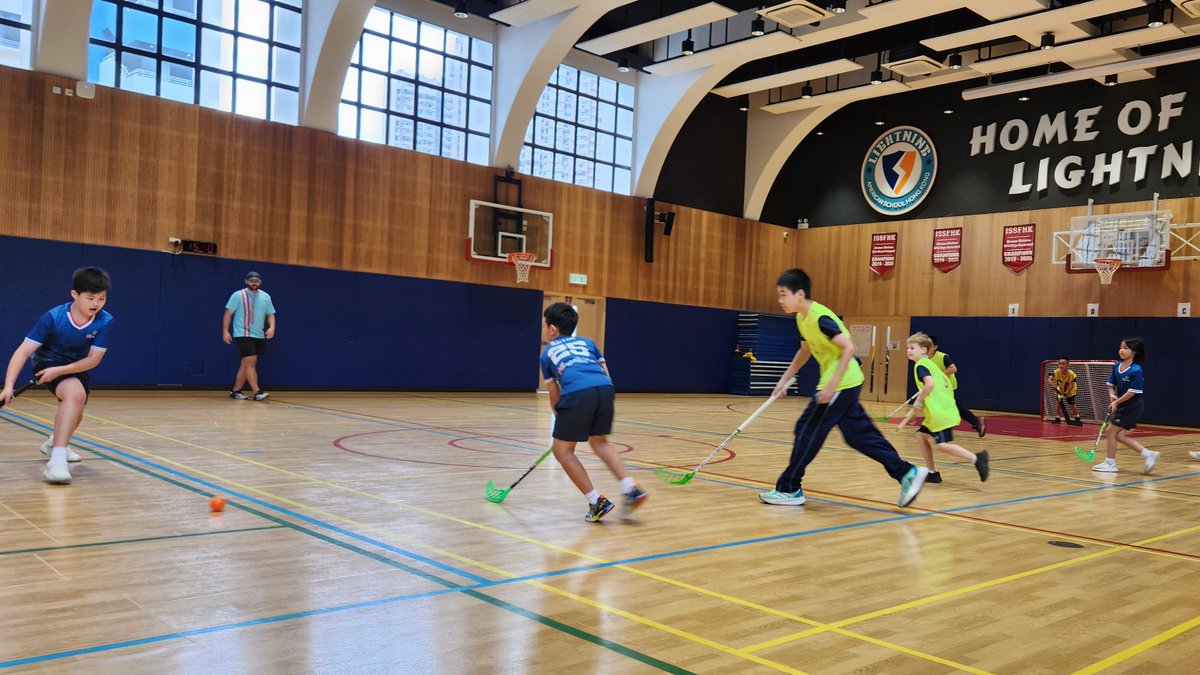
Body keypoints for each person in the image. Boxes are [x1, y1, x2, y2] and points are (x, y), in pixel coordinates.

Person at [759, 268, 928, 508]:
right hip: (846, 384)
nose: (779, 300)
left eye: (783, 294)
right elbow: (805, 351)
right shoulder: (801, 318)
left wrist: (831, 386)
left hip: (840, 384)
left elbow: (849, 348)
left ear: (799, 294)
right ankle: (907, 473)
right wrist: (785, 378)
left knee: (807, 430)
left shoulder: (820, 317)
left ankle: (789, 488)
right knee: (859, 436)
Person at [1, 267, 115, 485]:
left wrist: (60, 371)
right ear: (75, 294)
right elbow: (23, 351)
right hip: (47, 363)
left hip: (74, 367)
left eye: (101, 299)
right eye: (90, 298)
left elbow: (93, 360)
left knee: (76, 410)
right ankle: (57, 462)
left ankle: (54, 443)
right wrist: (8, 386)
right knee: (75, 396)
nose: (96, 304)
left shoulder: (105, 321)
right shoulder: (54, 317)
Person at [539, 302, 646, 522]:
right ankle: (630, 488)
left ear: (552, 329)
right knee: (600, 442)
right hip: (605, 390)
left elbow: (553, 392)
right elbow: (606, 373)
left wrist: (561, 419)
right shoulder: (588, 342)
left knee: (562, 451)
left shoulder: (547, 352)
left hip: (578, 393)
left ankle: (596, 501)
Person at [906, 333, 988, 484]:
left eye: (912, 347)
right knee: (921, 436)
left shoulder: (921, 366)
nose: (908, 350)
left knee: (943, 445)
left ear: (924, 350)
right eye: (907, 348)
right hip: (938, 411)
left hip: (940, 412)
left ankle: (977, 459)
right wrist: (920, 406)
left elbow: (930, 385)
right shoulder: (931, 365)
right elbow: (938, 389)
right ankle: (932, 473)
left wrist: (918, 400)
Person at [1092, 337, 1159, 474]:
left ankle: (1110, 463)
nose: (1121, 350)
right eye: (1120, 347)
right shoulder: (1117, 366)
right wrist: (1112, 395)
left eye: (1125, 348)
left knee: (1110, 431)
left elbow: (1133, 392)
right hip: (1123, 405)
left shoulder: (1136, 370)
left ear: (1134, 351)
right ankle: (1147, 454)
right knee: (1118, 435)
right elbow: (1111, 385)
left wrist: (1116, 402)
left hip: (1132, 407)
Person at [222, 271, 276, 401]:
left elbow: (271, 314)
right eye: (251, 280)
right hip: (243, 333)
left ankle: (236, 391)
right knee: (250, 362)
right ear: (246, 281)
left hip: (258, 335)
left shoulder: (266, 296)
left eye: (256, 281)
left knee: (246, 364)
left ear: (260, 282)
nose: (254, 283)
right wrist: (225, 331)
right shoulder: (238, 295)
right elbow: (228, 313)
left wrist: (272, 327)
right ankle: (257, 392)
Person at [927, 336, 986, 437]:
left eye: (929, 345)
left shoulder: (942, 357)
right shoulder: (924, 359)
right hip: (937, 387)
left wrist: (939, 376)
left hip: (947, 386)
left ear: (935, 347)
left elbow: (953, 369)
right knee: (952, 407)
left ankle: (976, 422)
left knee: (949, 407)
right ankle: (977, 422)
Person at [1047, 358, 1083, 425]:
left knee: (1071, 404)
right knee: (1058, 402)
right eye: (1060, 364)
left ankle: (1077, 417)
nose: (1061, 365)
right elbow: (1049, 380)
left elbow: (1071, 385)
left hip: (1070, 391)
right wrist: (1054, 387)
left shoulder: (1071, 374)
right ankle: (1057, 418)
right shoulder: (1056, 372)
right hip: (1060, 389)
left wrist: (1066, 393)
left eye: (1063, 364)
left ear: (1067, 364)